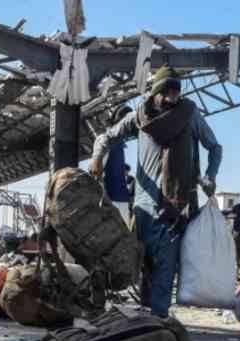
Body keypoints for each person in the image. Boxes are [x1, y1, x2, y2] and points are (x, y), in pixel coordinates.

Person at [89, 66, 222, 317]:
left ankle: (158, 320)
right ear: (155, 93)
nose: (173, 98)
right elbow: (106, 138)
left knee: (165, 269)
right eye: (167, 92)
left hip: (174, 209)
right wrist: (97, 158)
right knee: (145, 268)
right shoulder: (139, 117)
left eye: (176, 92)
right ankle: (148, 319)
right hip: (143, 209)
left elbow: (215, 147)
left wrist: (210, 176)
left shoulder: (189, 114)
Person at [103, 106, 134, 229]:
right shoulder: (107, 139)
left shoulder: (119, 143)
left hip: (121, 199)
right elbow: (96, 170)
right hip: (112, 200)